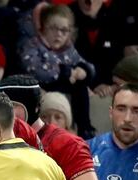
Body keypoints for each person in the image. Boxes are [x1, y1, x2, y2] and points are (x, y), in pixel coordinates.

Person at [19, 3, 95, 138]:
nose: (59, 34)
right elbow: (36, 70)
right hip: (41, 88)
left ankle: (84, 129)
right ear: (43, 28)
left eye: (64, 30)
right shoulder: (32, 45)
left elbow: (86, 65)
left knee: (81, 86)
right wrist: (66, 72)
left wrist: (84, 70)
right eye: (53, 28)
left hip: (63, 92)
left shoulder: (68, 49)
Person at [69, 0, 138, 96]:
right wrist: (94, 85)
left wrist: (114, 86)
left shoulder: (117, 15)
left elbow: (120, 59)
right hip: (76, 91)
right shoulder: (67, 16)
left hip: (112, 92)